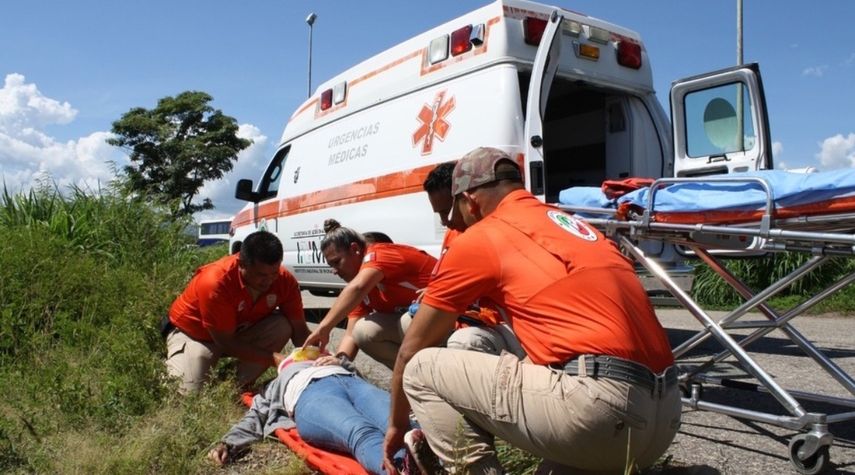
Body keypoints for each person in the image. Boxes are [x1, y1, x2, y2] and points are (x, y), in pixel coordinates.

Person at [383, 148, 681, 474]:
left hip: (599, 412)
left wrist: (397, 426)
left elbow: (411, 349)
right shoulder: (572, 224)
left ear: (469, 200)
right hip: (663, 416)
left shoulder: (483, 235)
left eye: (455, 211)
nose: (455, 221)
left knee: (422, 368)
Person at [209, 347, 417, 475]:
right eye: (299, 354)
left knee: (403, 424)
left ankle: (436, 459)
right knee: (360, 431)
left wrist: (342, 363)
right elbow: (256, 415)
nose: (307, 355)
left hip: (353, 384)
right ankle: (404, 468)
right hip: (310, 395)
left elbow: (369, 383)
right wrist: (228, 442)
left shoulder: (339, 365)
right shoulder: (280, 381)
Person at [165, 230, 310, 393]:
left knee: (283, 326)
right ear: (241, 264)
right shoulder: (215, 282)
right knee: (188, 395)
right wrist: (275, 359)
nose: (269, 281)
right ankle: (182, 365)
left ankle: (232, 387)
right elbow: (225, 342)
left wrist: (316, 356)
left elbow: (299, 330)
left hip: (236, 332)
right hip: (198, 337)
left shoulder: (284, 280)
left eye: (274, 273)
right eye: (261, 275)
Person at [302, 219, 437, 369]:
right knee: (363, 331)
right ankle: (416, 374)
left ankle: (431, 372)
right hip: (425, 328)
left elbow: (357, 287)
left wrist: (323, 328)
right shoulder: (359, 283)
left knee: (409, 319)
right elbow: (351, 333)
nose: (334, 271)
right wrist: (339, 361)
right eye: (330, 265)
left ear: (355, 249)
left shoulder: (380, 254)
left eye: (337, 262)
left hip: (453, 320)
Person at [422, 162, 524, 358]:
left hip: (508, 326)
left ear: (466, 199)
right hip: (471, 319)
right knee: (415, 325)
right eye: (439, 215)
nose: (444, 221)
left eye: (446, 212)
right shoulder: (453, 234)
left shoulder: (499, 233)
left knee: (465, 343)